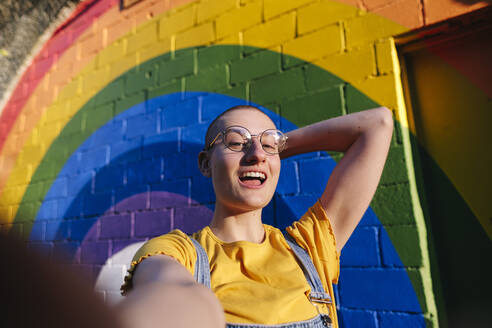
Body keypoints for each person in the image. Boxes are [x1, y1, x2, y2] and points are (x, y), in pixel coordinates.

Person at [117, 105, 394, 328]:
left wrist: (272, 146)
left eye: (270, 145)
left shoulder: (311, 246)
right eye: (236, 142)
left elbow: (377, 123)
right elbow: (170, 294)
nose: (256, 156)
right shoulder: (176, 252)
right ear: (205, 163)